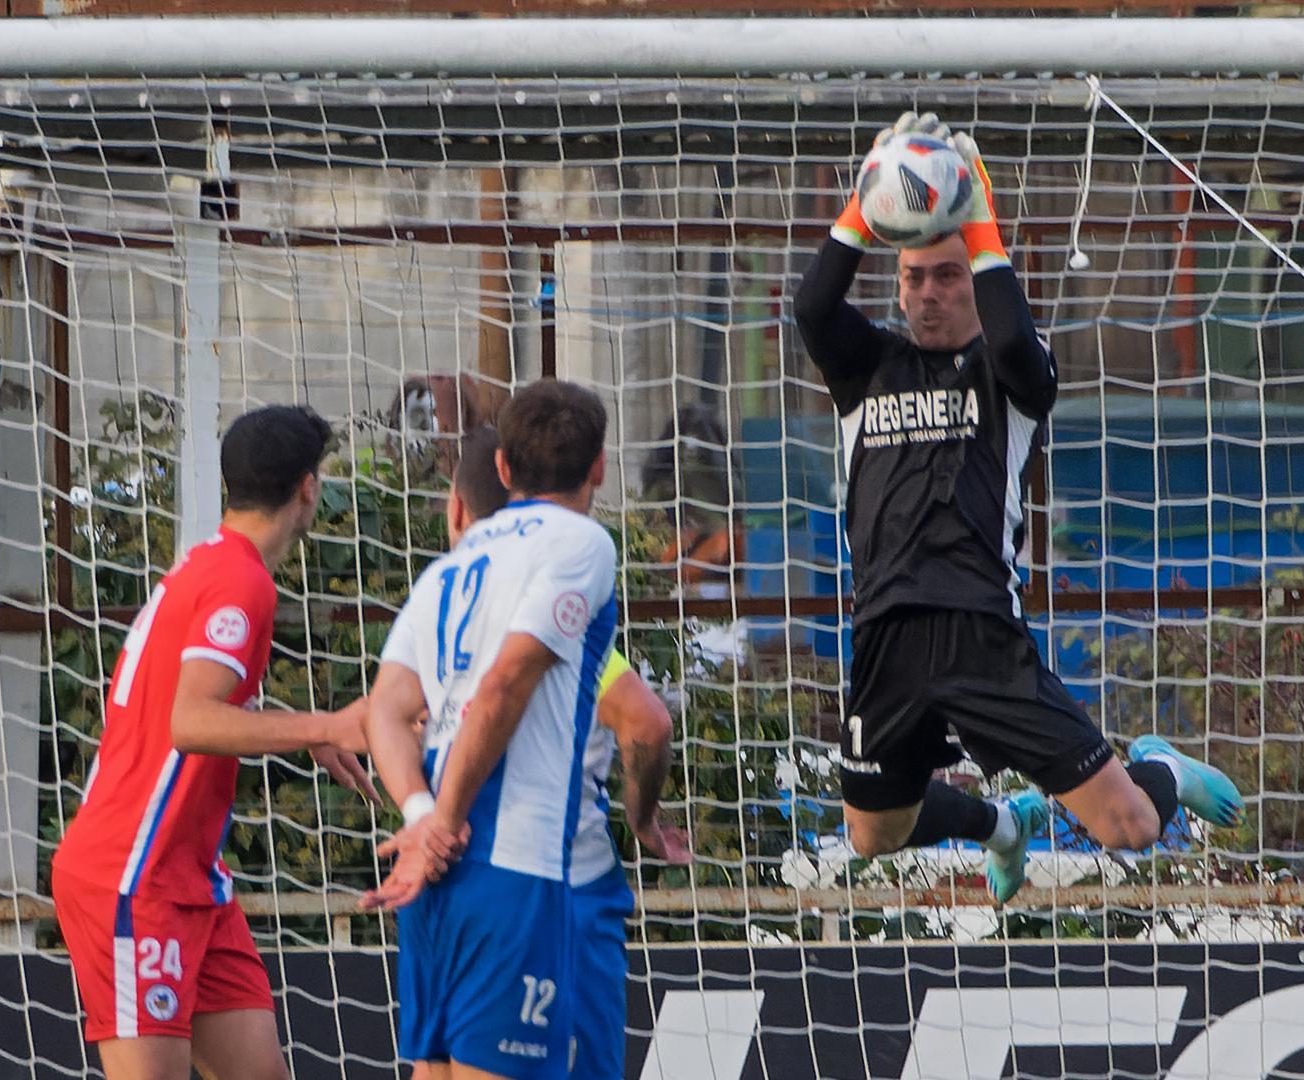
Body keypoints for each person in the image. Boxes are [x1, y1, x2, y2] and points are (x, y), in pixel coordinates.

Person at [793, 111, 1243, 904]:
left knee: (1130, 827)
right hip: (885, 635)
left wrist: (975, 210)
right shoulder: (868, 367)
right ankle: (1003, 826)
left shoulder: (1012, 375)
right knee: (872, 834)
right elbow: (813, 308)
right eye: (913, 278)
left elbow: (1007, 341)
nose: (928, 295)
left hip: (981, 636)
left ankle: (1163, 768)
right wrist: (872, 193)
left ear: (976, 276)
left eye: (948, 276)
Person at [361, 381, 688, 1080]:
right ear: (599, 467)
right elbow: (504, 685)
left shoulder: (450, 568)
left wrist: (420, 818)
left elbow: (383, 710)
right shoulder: (580, 542)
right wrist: (444, 821)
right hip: (512, 868)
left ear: (503, 468)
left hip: (436, 880)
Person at [50, 404, 375, 1080]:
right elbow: (191, 721)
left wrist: (303, 728)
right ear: (308, 487)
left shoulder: (212, 564)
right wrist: (322, 725)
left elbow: (198, 701)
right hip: (133, 873)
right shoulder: (241, 582)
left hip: (190, 876)